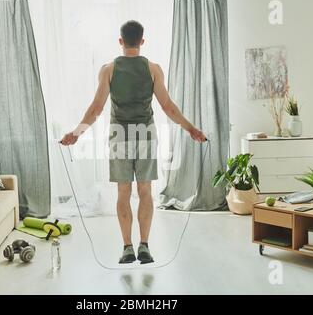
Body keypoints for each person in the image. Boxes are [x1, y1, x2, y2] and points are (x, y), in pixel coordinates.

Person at [61, 20, 207, 264]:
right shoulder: (153, 69)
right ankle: (145, 247)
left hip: (119, 136)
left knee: (123, 191)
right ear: (142, 41)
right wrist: (191, 128)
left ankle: (127, 247)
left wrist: (76, 133)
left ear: (121, 41)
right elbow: (168, 107)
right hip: (145, 136)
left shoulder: (108, 70)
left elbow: (97, 108)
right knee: (145, 190)